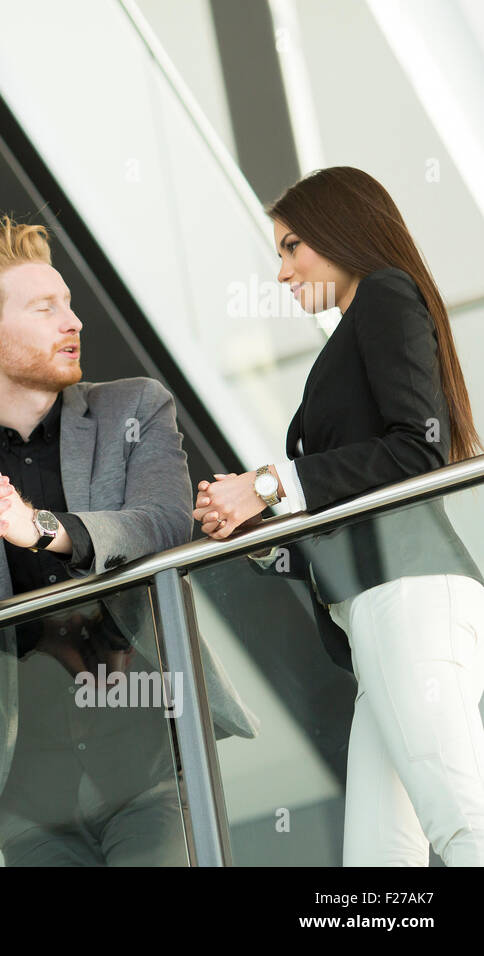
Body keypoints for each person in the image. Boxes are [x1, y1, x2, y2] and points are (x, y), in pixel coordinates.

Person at [0, 214, 257, 866]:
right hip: (32, 800)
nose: (75, 320)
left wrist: (36, 528)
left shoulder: (137, 408)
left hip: (152, 764)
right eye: (46, 307)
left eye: (68, 302)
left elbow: (163, 522)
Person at [192, 166, 484, 866]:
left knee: (461, 824)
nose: (284, 272)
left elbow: (417, 453)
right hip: (377, 611)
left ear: (341, 232)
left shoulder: (385, 293)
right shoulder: (360, 324)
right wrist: (263, 536)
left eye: (294, 247)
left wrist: (268, 483)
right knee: (379, 867)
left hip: (408, 599)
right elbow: (352, 502)